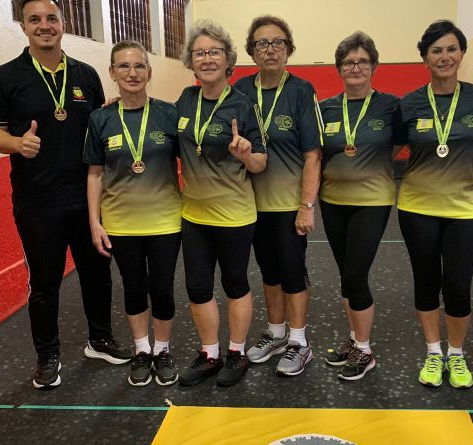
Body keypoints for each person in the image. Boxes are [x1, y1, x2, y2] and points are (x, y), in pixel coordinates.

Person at [0, 0, 131, 390]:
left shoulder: (85, 74)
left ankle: (100, 340)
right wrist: (17, 143)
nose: (44, 25)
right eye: (35, 20)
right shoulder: (2, 78)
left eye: (51, 18)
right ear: (23, 26)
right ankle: (47, 356)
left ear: (63, 24)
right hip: (37, 202)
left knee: (97, 274)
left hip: (87, 199)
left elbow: (96, 124)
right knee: (45, 284)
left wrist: (111, 113)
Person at [174, 20, 267, 388]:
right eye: (200, 53)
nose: (207, 58)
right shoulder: (185, 99)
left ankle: (237, 352)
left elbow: (260, 163)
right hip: (194, 215)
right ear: (191, 61)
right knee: (197, 287)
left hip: (234, 215)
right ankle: (210, 354)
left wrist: (245, 154)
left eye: (215, 52)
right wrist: (117, 104)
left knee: (234, 283)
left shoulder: (243, 104)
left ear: (228, 59)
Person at [84, 41, 182, 387]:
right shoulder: (101, 118)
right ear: (112, 72)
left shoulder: (169, 114)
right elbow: (95, 174)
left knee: (163, 288)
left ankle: (163, 350)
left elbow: (194, 157)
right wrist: (94, 223)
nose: (132, 73)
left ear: (149, 72)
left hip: (166, 220)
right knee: (134, 287)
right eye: (124, 66)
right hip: (121, 223)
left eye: (140, 66)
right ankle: (142, 350)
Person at [397, 20, 473, 389]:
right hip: (417, 207)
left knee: (458, 286)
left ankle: (457, 354)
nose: (444, 56)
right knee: (426, 282)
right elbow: (387, 149)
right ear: (425, 58)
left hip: (466, 209)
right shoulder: (409, 103)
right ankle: (434, 352)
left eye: (451, 49)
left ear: (462, 54)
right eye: (436, 50)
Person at [234, 15, 323, 377]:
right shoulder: (240, 89)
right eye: (261, 43)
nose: (269, 50)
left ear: (288, 49)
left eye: (277, 43)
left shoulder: (301, 91)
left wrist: (306, 206)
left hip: (288, 204)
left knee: (292, 272)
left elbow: (313, 155)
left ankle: (299, 341)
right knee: (269, 272)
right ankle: (276, 333)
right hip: (251, 204)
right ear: (251, 51)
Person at [318, 32, 405, 381]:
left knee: (356, 275)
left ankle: (365, 351)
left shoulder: (390, 106)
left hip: (372, 201)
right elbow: (319, 153)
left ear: (374, 66)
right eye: (348, 62)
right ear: (339, 68)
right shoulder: (326, 108)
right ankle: (355, 340)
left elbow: (397, 145)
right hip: (332, 201)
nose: (355, 68)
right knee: (345, 276)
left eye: (362, 62)